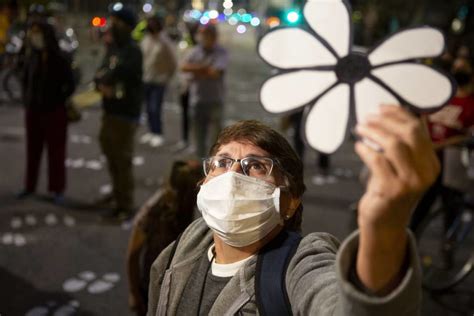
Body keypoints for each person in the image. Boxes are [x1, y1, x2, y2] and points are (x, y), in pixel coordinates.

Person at [147, 105, 439, 315]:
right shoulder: (187, 244)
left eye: (256, 166)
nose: (233, 175)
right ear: (203, 181)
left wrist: (384, 227)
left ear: (290, 201)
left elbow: (343, 305)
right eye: (222, 162)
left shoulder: (299, 263)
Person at [127, 159, 202, 316]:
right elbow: (132, 255)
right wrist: (134, 293)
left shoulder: (187, 205)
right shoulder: (154, 211)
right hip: (153, 283)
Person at [410, 56, 474, 232]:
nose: (457, 70)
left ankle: (448, 244)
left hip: (453, 162)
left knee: (450, 204)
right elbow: (423, 114)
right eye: (456, 66)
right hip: (431, 157)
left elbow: (468, 136)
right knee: (422, 203)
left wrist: (446, 143)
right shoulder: (444, 95)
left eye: (463, 67)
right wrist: (426, 140)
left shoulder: (471, 103)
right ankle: (410, 237)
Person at [18, 20, 75, 203]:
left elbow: (70, 84)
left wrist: (59, 98)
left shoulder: (60, 57)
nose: (33, 36)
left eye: (37, 32)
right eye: (32, 32)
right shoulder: (31, 56)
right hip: (33, 111)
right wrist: (27, 100)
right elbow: (24, 80)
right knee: (32, 151)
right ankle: (29, 186)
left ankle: (57, 189)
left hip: (54, 111)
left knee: (56, 153)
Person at [94, 5, 143, 220]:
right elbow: (101, 72)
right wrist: (101, 82)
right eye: (111, 20)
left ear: (127, 26)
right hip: (110, 110)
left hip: (125, 113)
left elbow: (119, 73)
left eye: (117, 22)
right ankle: (116, 194)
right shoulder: (113, 47)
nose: (112, 25)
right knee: (111, 155)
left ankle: (126, 205)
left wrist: (106, 80)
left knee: (122, 160)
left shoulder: (132, 50)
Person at [181, 24, 229, 158]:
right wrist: (204, 68)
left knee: (217, 140)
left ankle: (216, 165)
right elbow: (183, 67)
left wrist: (195, 70)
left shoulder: (221, 52)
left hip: (215, 100)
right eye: (202, 34)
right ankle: (201, 167)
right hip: (197, 100)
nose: (204, 38)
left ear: (214, 36)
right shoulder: (195, 51)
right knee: (199, 139)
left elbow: (216, 73)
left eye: (208, 35)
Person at [139, 14, 177, 148]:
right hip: (146, 79)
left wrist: (167, 77)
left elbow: (173, 62)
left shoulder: (164, 42)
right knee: (148, 108)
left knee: (155, 108)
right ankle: (151, 131)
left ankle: (158, 133)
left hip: (159, 81)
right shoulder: (146, 39)